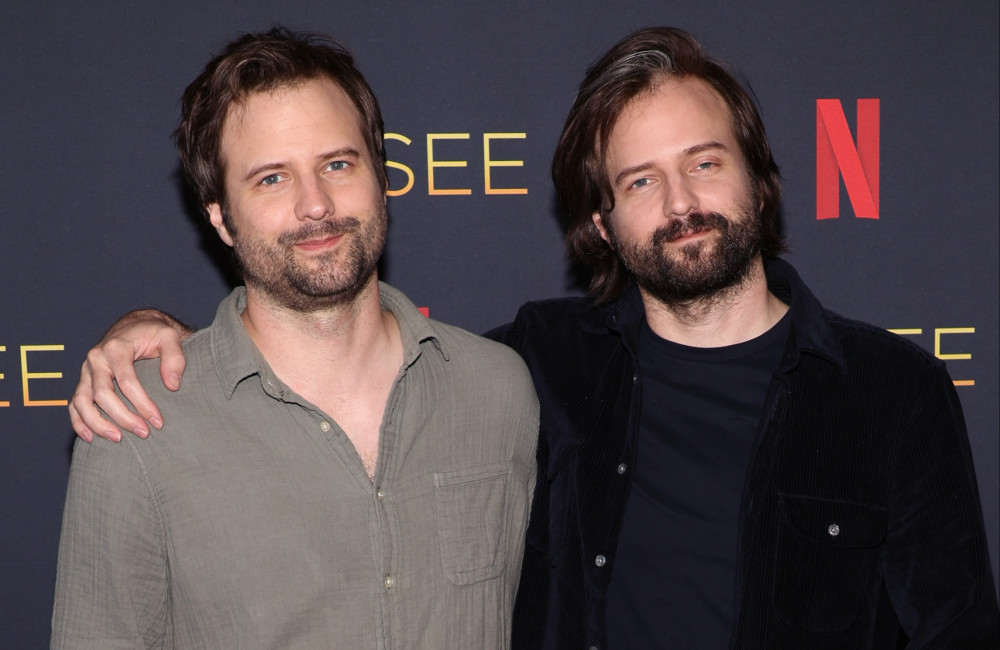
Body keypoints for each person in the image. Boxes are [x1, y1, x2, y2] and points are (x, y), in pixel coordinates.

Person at [68, 27, 997, 649]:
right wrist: (144, 331)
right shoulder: (543, 365)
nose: (680, 203)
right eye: (639, 181)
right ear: (602, 222)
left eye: (705, 163)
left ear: (761, 178)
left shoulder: (894, 391)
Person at [52, 28, 538, 649]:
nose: (315, 204)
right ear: (220, 217)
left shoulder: (497, 389)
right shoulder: (139, 427)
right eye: (271, 178)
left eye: (337, 164)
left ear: (381, 175)